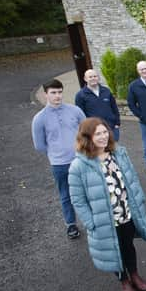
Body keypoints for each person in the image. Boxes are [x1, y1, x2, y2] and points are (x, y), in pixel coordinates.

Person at [68, 118, 146, 291]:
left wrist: (139, 200)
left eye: (104, 132)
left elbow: (132, 179)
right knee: (115, 252)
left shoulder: (119, 153)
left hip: (126, 214)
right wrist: (91, 223)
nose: (103, 137)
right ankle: (124, 282)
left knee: (128, 247)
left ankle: (135, 275)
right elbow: (77, 199)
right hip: (105, 221)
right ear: (87, 138)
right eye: (97, 134)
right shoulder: (79, 165)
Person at [32, 79, 86, 239]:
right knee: (65, 195)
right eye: (53, 93)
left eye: (60, 92)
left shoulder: (75, 111)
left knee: (87, 192)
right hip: (59, 164)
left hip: (80, 160)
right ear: (45, 94)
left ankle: (92, 222)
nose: (57, 96)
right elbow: (39, 145)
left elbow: (87, 131)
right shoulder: (39, 118)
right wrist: (57, 152)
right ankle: (71, 225)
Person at [75, 69, 121, 141]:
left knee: (115, 150)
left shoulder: (106, 91)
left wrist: (117, 123)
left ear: (98, 78)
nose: (93, 78)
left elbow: (114, 107)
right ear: (85, 79)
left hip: (111, 128)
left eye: (95, 76)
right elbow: (80, 115)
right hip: (95, 131)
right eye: (90, 77)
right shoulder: (80, 95)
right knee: (100, 151)